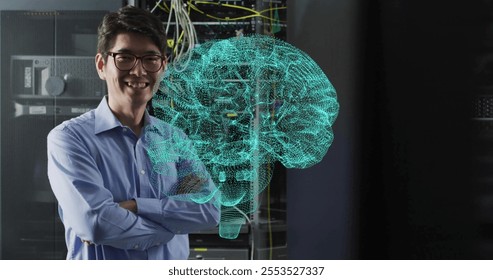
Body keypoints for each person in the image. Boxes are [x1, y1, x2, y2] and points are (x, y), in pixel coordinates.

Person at [47, 5, 220, 260]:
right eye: (125, 57)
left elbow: (210, 209)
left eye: (150, 59)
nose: (138, 71)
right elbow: (96, 223)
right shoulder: (70, 140)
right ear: (101, 65)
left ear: (162, 66)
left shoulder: (174, 140)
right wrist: (167, 229)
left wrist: (134, 207)